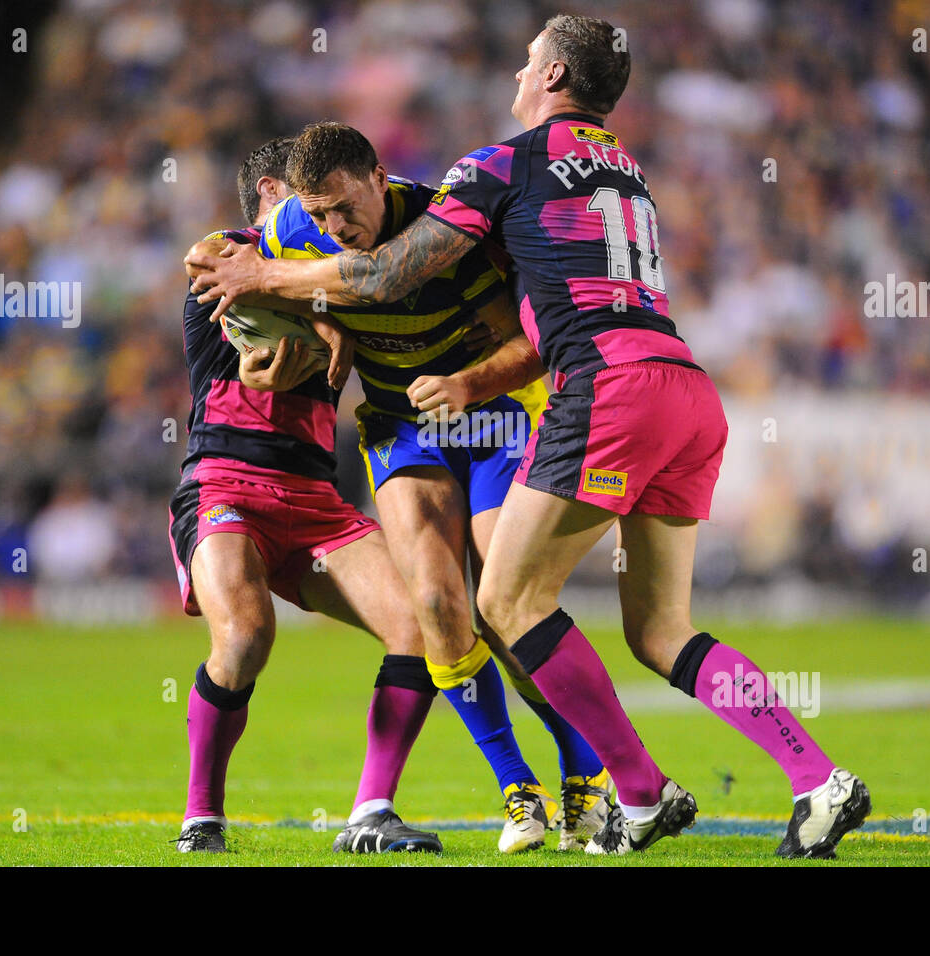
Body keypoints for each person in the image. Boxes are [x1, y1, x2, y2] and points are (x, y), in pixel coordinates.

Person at [187, 16, 871, 858]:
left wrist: (264, 274)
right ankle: (817, 780)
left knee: (504, 603)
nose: (515, 70)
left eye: (526, 59)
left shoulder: (498, 165)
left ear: (551, 75)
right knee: (661, 631)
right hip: (685, 388)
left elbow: (392, 271)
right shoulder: (628, 170)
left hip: (603, 387)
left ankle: (639, 792)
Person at [203, 121, 610, 852]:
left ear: (377, 175)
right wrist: (319, 323)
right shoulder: (296, 227)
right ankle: (519, 791)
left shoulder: (448, 226)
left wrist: (469, 380)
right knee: (433, 601)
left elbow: (531, 343)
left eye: (341, 207)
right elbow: (209, 257)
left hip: (494, 418)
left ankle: (587, 775)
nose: (332, 227)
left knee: (504, 603)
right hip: (400, 426)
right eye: (317, 213)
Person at [171, 138, 442, 854]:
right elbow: (210, 263)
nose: (319, 217)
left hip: (316, 495)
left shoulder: (338, 273)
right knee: (246, 635)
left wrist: (326, 319)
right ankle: (203, 816)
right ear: (270, 192)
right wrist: (317, 322)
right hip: (225, 482)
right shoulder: (226, 252)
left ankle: (372, 812)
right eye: (301, 198)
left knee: (422, 625)